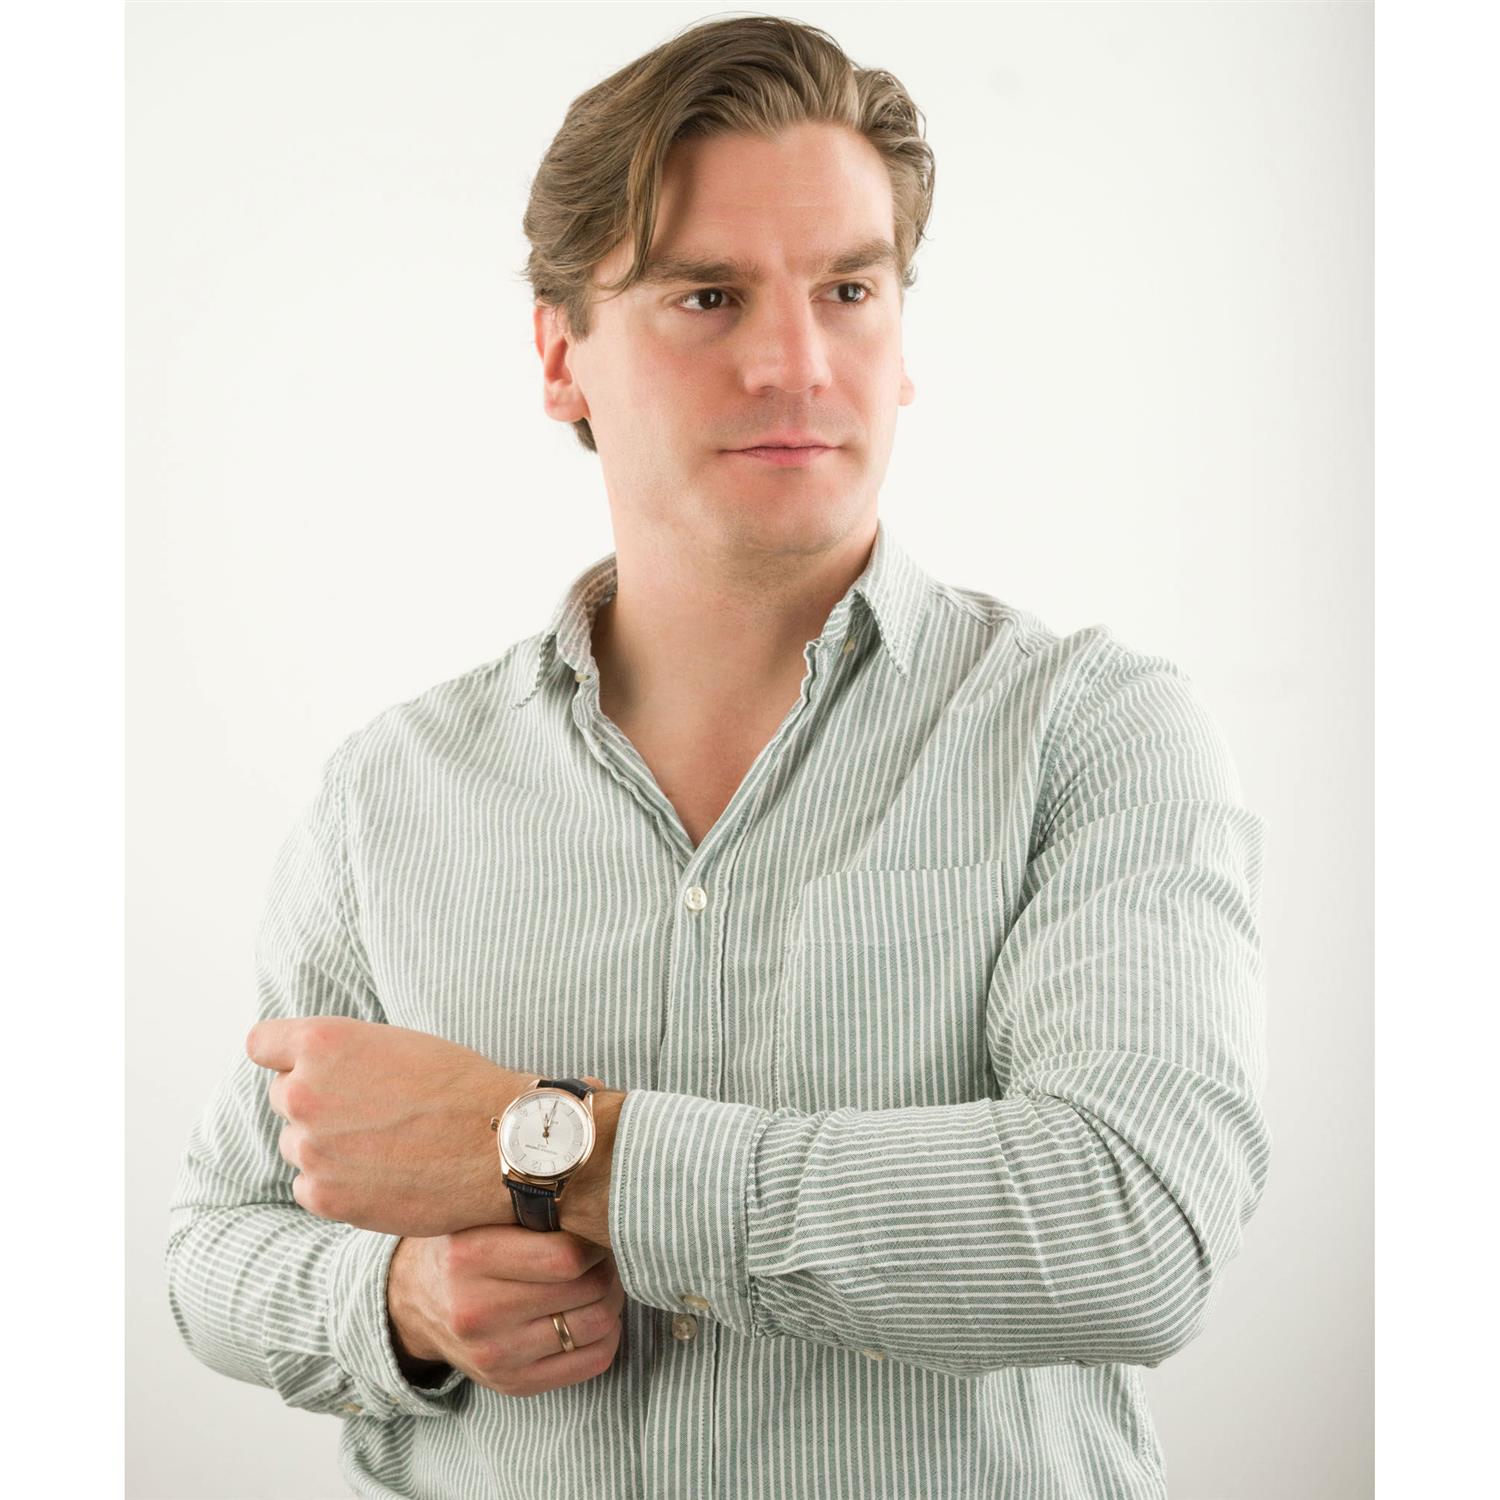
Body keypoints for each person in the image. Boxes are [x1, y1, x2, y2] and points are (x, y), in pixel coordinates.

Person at [165, 14, 1270, 1499]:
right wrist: (400, 1301)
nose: (796, 364)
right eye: (707, 296)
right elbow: (218, 1245)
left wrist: (543, 1151)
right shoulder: (393, 790)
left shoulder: (1092, 732)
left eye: (849, 290)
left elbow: (1133, 1231)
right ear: (562, 355)